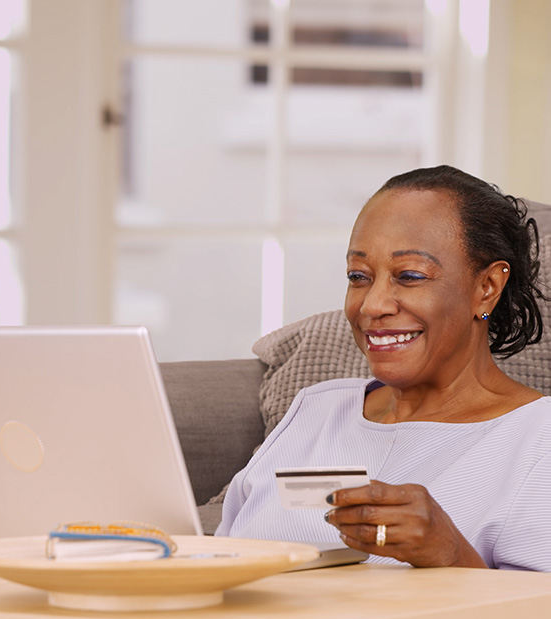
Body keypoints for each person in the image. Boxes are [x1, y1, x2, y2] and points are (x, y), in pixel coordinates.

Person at [216, 165, 551, 571]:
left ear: (487, 288)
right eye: (359, 276)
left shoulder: (537, 440)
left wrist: (451, 556)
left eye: (409, 276)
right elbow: (224, 554)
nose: (372, 305)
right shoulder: (317, 409)